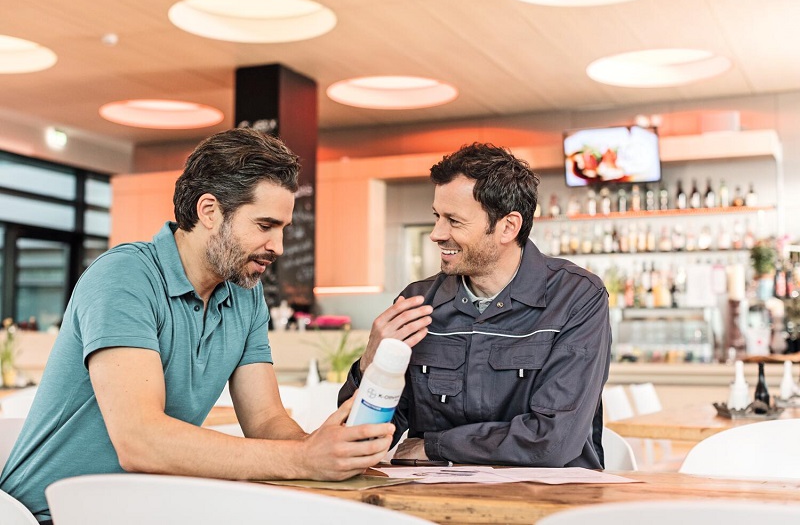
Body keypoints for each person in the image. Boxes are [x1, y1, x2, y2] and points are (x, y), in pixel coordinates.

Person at [0, 128, 393, 523]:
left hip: (141, 510)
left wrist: (325, 448)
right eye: (265, 225)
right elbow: (141, 442)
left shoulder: (245, 294)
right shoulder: (125, 277)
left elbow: (266, 421)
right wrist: (304, 459)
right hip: (49, 515)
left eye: (283, 229)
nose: (279, 246)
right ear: (209, 211)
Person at [339, 142, 611, 468]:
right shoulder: (418, 301)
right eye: (437, 217)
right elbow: (358, 439)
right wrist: (371, 364)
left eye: (454, 221)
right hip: (432, 503)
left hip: (548, 506)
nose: (436, 234)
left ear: (508, 227)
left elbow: (553, 441)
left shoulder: (577, 297)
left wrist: (435, 446)